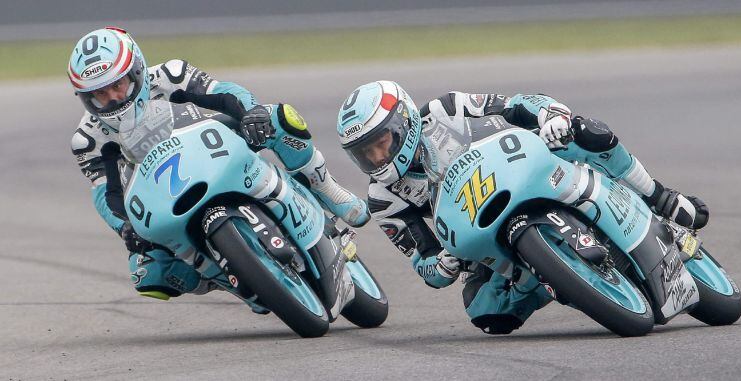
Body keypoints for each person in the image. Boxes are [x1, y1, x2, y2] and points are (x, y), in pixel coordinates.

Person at [336, 80, 708, 334]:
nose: (376, 157)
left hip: (527, 166)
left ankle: (660, 197)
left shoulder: (444, 109)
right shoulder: (384, 199)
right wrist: (444, 264)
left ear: (404, 121)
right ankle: (557, 279)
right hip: (484, 227)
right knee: (486, 314)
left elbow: (516, 104)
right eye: (364, 153)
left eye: (381, 143)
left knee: (586, 131)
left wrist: (550, 117)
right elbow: (423, 262)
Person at [68, 27, 369, 306]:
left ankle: (324, 187)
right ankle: (229, 275)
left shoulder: (169, 75)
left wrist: (252, 112)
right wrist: (125, 228)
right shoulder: (88, 138)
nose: (112, 98)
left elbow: (224, 92)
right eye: (100, 94)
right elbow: (106, 194)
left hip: (207, 144)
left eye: (117, 85)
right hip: (159, 191)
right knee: (148, 273)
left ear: (136, 71)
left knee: (279, 118)